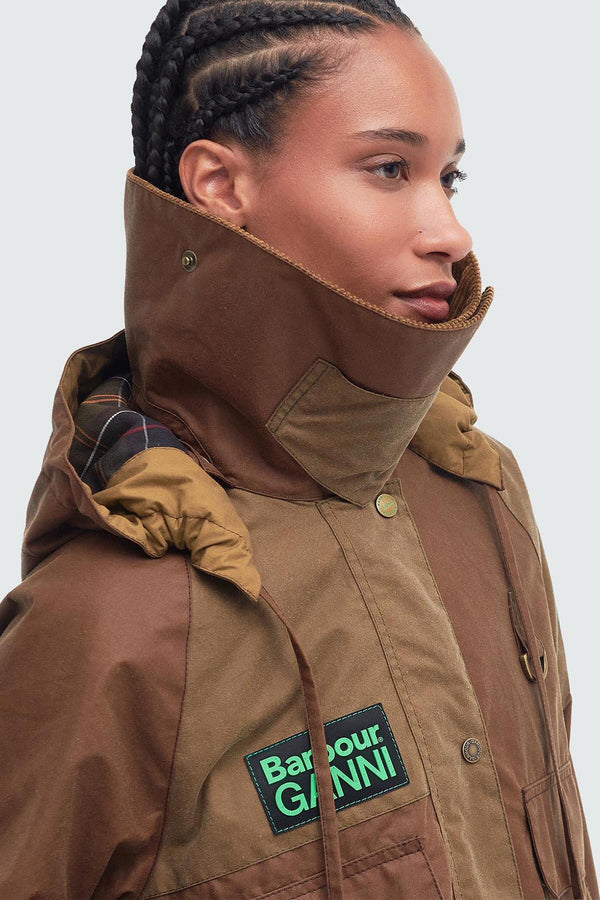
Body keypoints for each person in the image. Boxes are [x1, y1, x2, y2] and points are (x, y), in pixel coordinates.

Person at [0, 0, 597, 897]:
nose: (452, 232)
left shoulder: (481, 493)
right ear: (219, 185)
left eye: (450, 177)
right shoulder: (110, 619)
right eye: (389, 168)